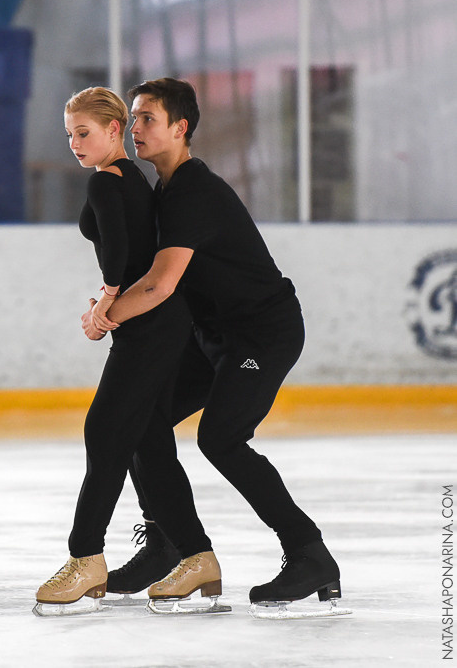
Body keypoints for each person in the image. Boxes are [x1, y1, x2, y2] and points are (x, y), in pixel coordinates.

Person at [84, 78, 342, 610]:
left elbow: (160, 283)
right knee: (141, 419)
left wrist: (103, 316)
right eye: (132, 119)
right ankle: (167, 545)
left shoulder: (193, 192)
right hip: (212, 336)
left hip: (260, 334)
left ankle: (309, 553)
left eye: (148, 119)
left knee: (221, 439)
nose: (136, 129)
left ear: (181, 129)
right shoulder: (164, 190)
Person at [34, 86, 194, 614]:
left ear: (113, 130)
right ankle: (191, 553)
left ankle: (86, 558)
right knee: (145, 439)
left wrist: (105, 305)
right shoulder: (137, 179)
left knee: (104, 432)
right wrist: (115, 303)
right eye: (70, 135)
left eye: (84, 133)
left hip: (147, 325)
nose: (75, 144)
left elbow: (121, 256)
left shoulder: (106, 182)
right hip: (160, 323)